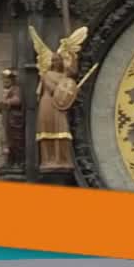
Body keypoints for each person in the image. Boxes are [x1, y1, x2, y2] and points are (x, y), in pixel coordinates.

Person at [32, 25, 88, 172]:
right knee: (47, 131)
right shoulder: (46, 75)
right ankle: (47, 160)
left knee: (62, 130)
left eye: (58, 60)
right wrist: (68, 90)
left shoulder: (65, 76)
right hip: (48, 104)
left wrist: (71, 53)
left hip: (60, 106)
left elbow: (73, 73)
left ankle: (62, 159)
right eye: (54, 60)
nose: (56, 62)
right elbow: (53, 90)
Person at [0, 69, 24, 168]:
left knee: (15, 141)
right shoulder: (5, 92)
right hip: (6, 121)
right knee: (5, 141)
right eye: (4, 80)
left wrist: (7, 102)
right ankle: (8, 162)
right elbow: (0, 109)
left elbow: (18, 100)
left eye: (7, 80)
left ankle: (18, 162)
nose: (5, 81)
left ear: (12, 80)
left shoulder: (16, 89)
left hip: (14, 120)